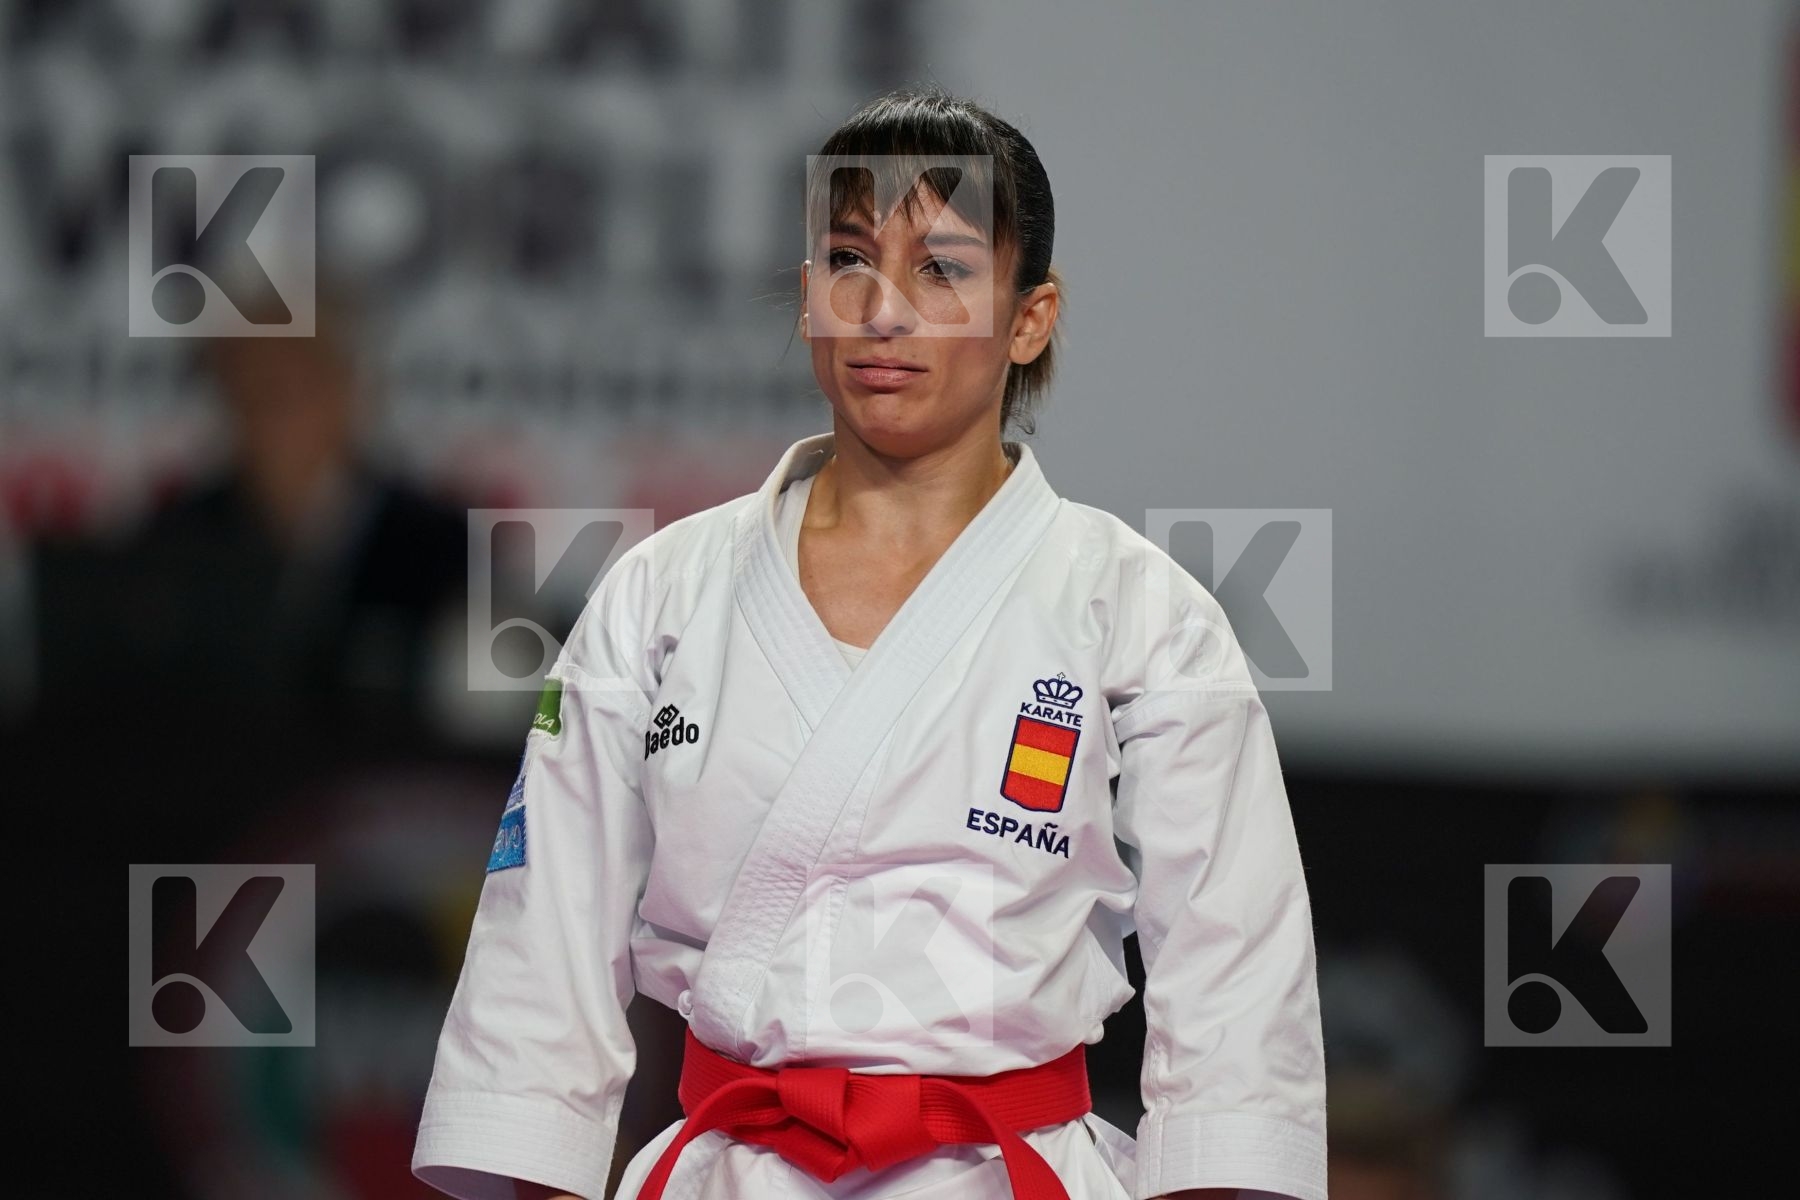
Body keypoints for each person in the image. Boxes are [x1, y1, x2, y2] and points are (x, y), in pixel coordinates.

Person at [412, 87, 1327, 1200]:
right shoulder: (661, 592)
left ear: (1031, 316)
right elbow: (543, 949)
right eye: (850, 260)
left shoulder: (1141, 616)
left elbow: (1235, 986)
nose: (883, 311)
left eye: (940, 268)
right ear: (808, 299)